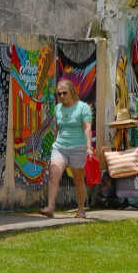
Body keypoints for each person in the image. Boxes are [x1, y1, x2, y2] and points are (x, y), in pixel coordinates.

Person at [43, 76, 98, 218]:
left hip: (78, 148)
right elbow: (57, 129)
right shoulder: (57, 109)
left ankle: (81, 209)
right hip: (60, 147)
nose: (61, 96)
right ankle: (50, 207)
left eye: (64, 93)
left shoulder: (83, 107)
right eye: (59, 94)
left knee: (78, 179)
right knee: (54, 173)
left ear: (72, 92)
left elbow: (87, 127)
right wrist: (53, 144)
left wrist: (88, 146)